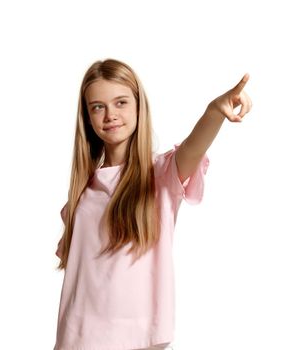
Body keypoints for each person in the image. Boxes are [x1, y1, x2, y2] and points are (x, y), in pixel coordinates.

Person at [53, 58, 252, 350]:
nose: (110, 114)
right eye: (98, 106)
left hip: (137, 342)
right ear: (87, 116)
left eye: (120, 102)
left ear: (138, 106)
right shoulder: (82, 195)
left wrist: (214, 113)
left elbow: (194, 146)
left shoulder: (160, 176)